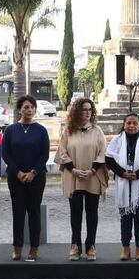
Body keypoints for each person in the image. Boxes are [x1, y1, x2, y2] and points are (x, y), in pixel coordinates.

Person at [55, 97, 108, 261]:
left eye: (90, 110)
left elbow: (103, 152)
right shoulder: (68, 131)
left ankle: (91, 245)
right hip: (75, 177)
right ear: (77, 111)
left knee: (92, 213)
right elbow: (62, 152)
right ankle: (75, 245)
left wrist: (93, 170)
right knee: (75, 213)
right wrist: (74, 170)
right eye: (84, 109)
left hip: (92, 177)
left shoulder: (97, 131)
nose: (87, 112)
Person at [2, 95, 50, 262]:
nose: (29, 110)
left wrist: (33, 173)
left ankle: (34, 249)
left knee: (34, 212)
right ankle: (17, 248)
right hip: (16, 178)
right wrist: (19, 173)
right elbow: (6, 154)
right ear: (20, 110)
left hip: (36, 178)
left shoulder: (41, 131)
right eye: (26, 107)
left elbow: (44, 155)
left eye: (32, 107)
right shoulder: (10, 130)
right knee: (18, 212)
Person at [106, 113, 139, 261]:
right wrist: (122, 173)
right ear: (124, 124)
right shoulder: (117, 141)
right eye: (128, 123)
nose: (132, 126)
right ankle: (125, 248)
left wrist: (138, 174)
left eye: (135, 123)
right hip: (123, 181)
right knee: (125, 217)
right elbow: (109, 159)